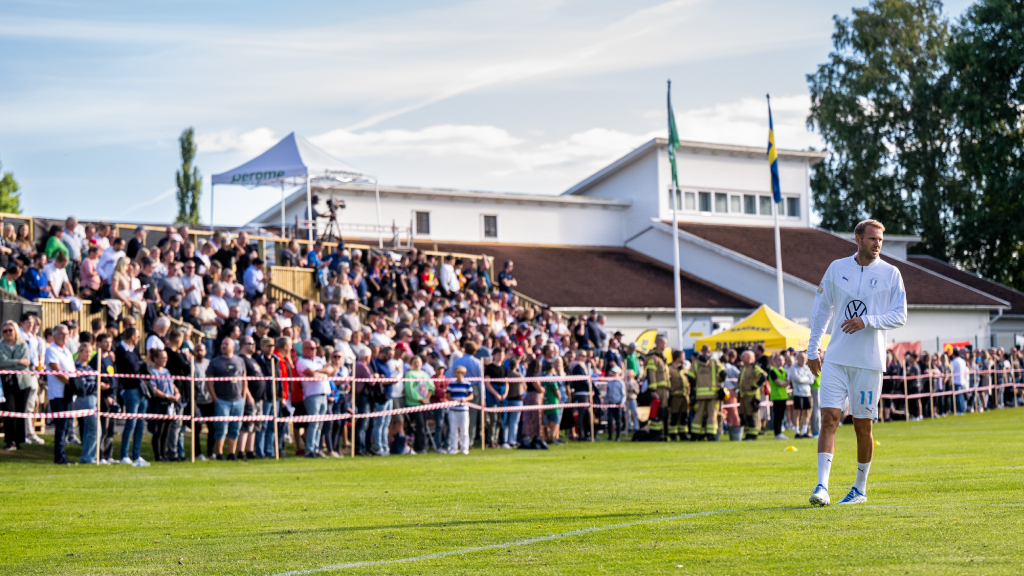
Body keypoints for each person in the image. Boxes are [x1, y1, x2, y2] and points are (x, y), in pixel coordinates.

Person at [807, 219, 907, 506]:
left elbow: (900, 315)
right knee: (828, 418)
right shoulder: (837, 268)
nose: (877, 244)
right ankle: (822, 487)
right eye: (872, 239)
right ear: (858, 239)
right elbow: (821, 310)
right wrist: (813, 348)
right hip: (836, 359)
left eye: (880, 240)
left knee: (863, 427)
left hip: (869, 362)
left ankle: (859, 490)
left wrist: (868, 320)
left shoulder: (891, 273)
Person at [206, 338, 251, 461]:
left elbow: (244, 379)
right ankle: (219, 454)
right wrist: (215, 398)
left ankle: (232, 453)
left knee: (235, 428)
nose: (223, 346)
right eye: (222, 343)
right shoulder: (215, 362)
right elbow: (209, 381)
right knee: (220, 427)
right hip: (222, 400)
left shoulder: (240, 361)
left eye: (226, 344)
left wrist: (244, 397)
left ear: (233, 347)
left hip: (238, 400)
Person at [115, 327, 150, 467]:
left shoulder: (134, 349)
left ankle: (136, 455)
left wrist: (139, 365)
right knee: (131, 423)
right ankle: (124, 454)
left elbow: (142, 365)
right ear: (132, 337)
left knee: (140, 424)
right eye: (138, 336)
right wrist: (138, 366)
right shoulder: (121, 350)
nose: (139, 338)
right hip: (130, 389)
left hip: (141, 389)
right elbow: (132, 367)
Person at [296, 339, 334, 458]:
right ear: (304, 350)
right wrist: (322, 373)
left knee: (319, 424)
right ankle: (310, 450)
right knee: (313, 424)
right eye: (311, 348)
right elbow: (313, 375)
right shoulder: (301, 362)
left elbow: (331, 370)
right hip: (312, 395)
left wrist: (319, 372)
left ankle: (316, 448)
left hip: (324, 394)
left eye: (315, 348)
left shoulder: (319, 360)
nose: (314, 351)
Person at [45, 324, 76, 464]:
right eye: (62, 333)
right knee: (61, 425)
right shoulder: (51, 350)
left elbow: (72, 370)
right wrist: (72, 383)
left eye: (67, 334)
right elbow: (57, 371)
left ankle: (63, 454)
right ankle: (59, 456)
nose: (65, 336)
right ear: (55, 335)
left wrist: (74, 382)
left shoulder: (67, 352)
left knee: (67, 425)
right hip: (57, 393)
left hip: (68, 392)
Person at [0, 320, 31, 451]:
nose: (8, 333)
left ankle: (18, 440)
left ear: (16, 331)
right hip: (7, 382)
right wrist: (19, 361)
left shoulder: (23, 344)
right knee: (9, 410)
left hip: (23, 382)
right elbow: (1, 362)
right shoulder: (1, 345)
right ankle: (10, 440)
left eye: (10, 330)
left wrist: (10, 363)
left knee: (20, 411)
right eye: (5, 331)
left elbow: (27, 363)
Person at [686, 344, 726, 441]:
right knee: (712, 415)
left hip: (699, 394)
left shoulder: (695, 363)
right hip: (713, 394)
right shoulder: (714, 362)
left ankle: (695, 435)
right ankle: (710, 435)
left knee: (698, 414)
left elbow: (690, 377)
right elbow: (723, 373)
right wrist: (720, 382)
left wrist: (696, 384)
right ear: (709, 351)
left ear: (701, 351)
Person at [403, 355, 434, 454]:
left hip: (425, 404)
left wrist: (427, 398)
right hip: (414, 404)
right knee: (419, 425)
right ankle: (420, 447)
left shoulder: (425, 374)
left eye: (418, 361)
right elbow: (409, 389)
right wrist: (419, 399)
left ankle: (420, 446)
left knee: (423, 425)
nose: (417, 363)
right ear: (411, 363)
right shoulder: (410, 374)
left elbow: (431, 387)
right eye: (415, 362)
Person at [736, 350, 767, 441]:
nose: (741, 358)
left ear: (749, 358)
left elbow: (763, 376)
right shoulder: (744, 368)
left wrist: (754, 386)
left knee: (752, 416)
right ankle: (748, 434)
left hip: (751, 396)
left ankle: (753, 434)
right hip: (743, 396)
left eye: (743, 357)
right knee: (745, 415)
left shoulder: (754, 367)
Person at [643, 337, 670, 436]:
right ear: (659, 344)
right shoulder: (653, 357)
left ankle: (661, 432)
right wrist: (653, 390)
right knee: (658, 411)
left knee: (663, 411)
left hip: (663, 389)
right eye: (665, 343)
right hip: (658, 389)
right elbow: (651, 374)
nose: (666, 345)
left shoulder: (661, 357)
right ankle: (655, 433)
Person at [446, 365, 473, 454]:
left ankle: (465, 447)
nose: (456, 374)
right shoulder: (452, 384)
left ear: (463, 374)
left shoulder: (467, 384)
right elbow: (448, 395)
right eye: (455, 372)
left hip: (463, 410)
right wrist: (453, 400)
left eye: (458, 373)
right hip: (453, 410)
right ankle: (454, 447)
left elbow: (471, 395)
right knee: (453, 430)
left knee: (464, 430)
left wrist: (465, 399)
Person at [789, 352, 815, 438]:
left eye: (804, 358)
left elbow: (812, 380)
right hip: (798, 393)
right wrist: (806, 378)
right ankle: (797, 432)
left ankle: (804, 432)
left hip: (807, 393)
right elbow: (797, 379)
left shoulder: (807, 368)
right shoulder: (793, 368)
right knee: (797, 413)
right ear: (797, 359)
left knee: (806, 412)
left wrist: (803, 379)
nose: (803, 360)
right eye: (801, 358)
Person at [666, 350, 689, 441]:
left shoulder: (684, 369)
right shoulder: (670, 369)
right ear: (678, 358)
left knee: (684, 416)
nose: (685, 358)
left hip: (685, 396)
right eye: (683, 356)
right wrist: (669, 387)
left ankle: (683, 433)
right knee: (674, 416)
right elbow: (667, 380)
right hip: (675, 396)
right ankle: (673, 434)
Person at [767, 354, 790, 439]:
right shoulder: (773, 371)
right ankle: (777, 433)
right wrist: (785, 384)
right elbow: (779, 383)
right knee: (777, 415)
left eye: (782, 360)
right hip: (776, 396)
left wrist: (785, 384)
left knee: (781, 415)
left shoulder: (784, 370)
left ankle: (780, 431)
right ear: (775, 361)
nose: (781, 361)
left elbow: (787, 382)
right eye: (779, 360)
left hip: (783, 396)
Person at [604, 365, 625, 441]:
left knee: (618, 421)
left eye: (615, 373)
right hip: (610, 404)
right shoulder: (609, 382)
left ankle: (618, 437)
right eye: (612, 372)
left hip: (618, 405)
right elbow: (608, 393)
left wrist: (621, 403)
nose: (613, 374)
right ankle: (610, 436)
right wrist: (605, 401)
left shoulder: (621, 383)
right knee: (609, 420)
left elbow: (623, 395)